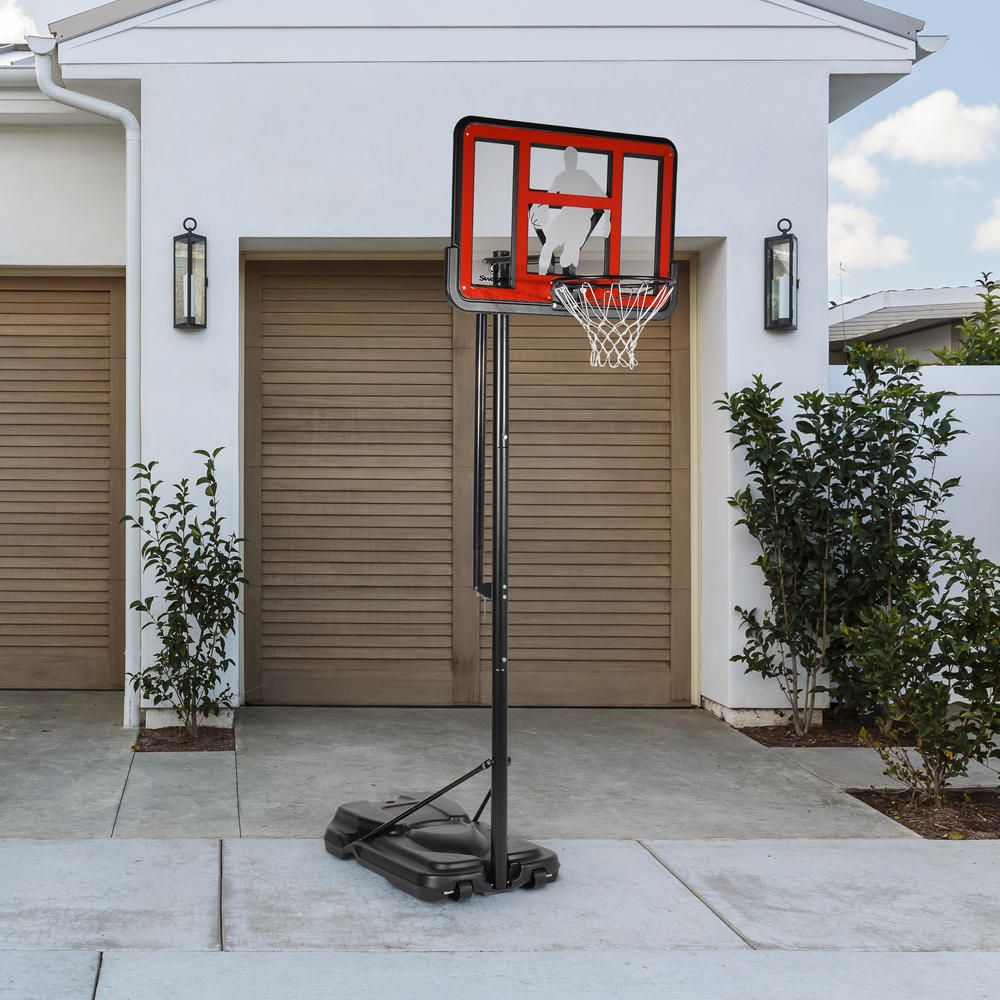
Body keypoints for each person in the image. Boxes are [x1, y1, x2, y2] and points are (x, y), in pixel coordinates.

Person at [531, 147, 606, 276]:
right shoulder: (561, 177)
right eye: (567, 158)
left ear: (575, 160)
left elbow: (604, 198)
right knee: (548, 247)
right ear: (565, 160)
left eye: (572, 158)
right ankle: (541, 277)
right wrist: (536, 209)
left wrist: (608, 221)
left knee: (568, 254)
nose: (569, 161)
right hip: (566, 218)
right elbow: (548, 197)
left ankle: (570, 253)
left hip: (579, 220)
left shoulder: (583, 176)